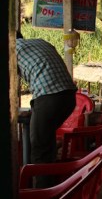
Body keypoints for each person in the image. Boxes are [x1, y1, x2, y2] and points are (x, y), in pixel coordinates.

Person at [16, 32, 77, 186]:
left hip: (49, 96)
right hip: (68, 96)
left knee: (40, 148)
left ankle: (42, 193)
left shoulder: (11, 47)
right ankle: (51, 185)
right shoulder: (40, 42)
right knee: (46, 141)